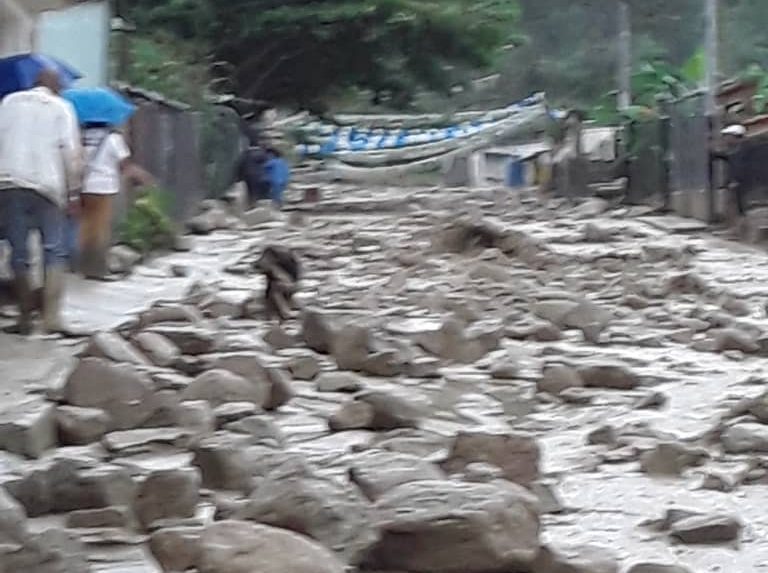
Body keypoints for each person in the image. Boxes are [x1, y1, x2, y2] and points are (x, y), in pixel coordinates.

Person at [0, 68, 82, 335]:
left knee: (18, 251)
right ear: (56, 87)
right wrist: (74, 194)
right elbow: (70, 154)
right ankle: (51, 319)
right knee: (53, 249)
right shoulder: (62, 108)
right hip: (48, 186)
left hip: (9, 182)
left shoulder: (9, 102)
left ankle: (24, 319)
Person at [78, 122, 153, 279]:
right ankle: (97, 269)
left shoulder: (82, 136)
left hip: (83, 186)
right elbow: (125, 165)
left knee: (86, 226)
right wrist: (142, 177)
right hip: (104, 187)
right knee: (101, 229)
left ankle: (82, 265)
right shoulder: (113, 138)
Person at [713, 124, 748, 220]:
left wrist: (735, 180)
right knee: (735, 206)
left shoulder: (741, 150)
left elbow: (740, 167)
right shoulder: (735, 150)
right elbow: (725, 156)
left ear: (734, 137)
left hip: (741, 184)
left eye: (728, 136)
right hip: (736, 184)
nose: (725, 139)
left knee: (740, 207)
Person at [234, 133, 270, 208]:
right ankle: (256, 206)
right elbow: (267, 164)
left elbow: (240, 165)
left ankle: (251, 206)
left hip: (247, 176)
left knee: (250, 192)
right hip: (259, 176)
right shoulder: (262, 154)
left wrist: (238, 177)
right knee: (257, 193)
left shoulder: (244, 154)